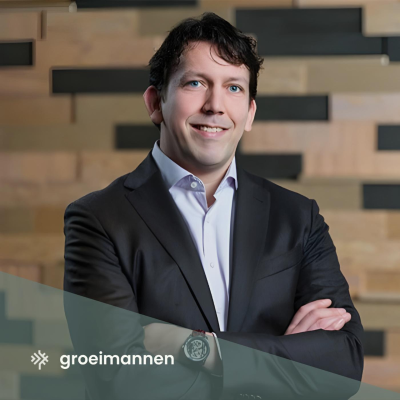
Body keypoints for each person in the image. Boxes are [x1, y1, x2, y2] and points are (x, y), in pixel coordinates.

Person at [64, 12, 364, 400]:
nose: (215, 106)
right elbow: (119, 380)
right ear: (156, 103)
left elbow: (343, 364)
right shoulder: (99, 219)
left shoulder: (298, 217)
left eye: (234, 88)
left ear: (250, 113)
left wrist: (200, 348)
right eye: (195, 83)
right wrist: (284, 362)